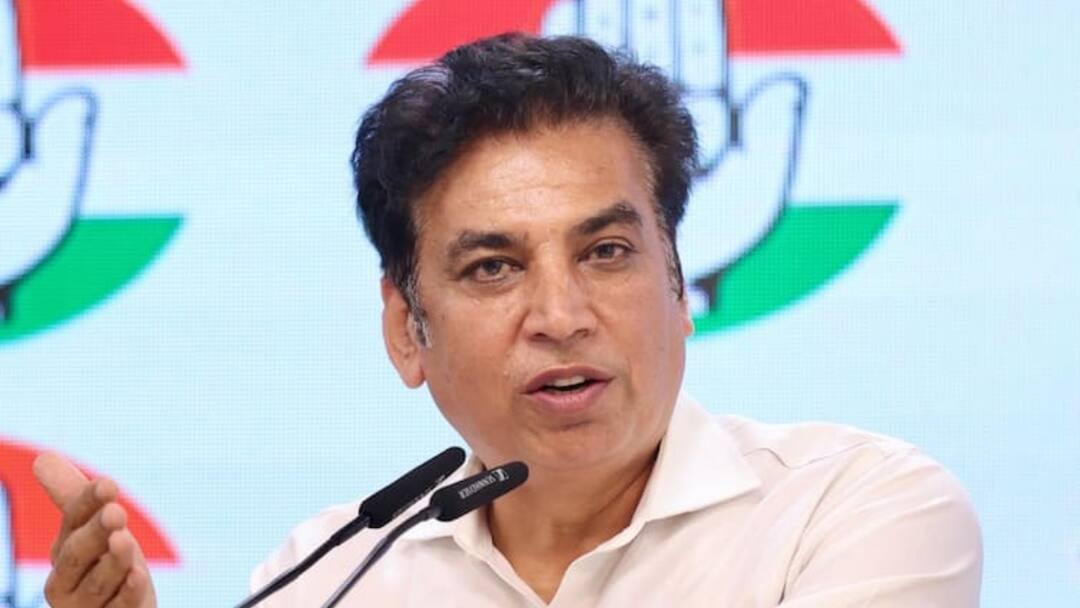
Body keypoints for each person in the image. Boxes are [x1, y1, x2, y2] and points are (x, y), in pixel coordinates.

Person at [32, 34, 982, 607]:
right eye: (493, 267)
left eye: (606, 252)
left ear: (677, 282)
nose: (561, 317)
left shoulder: (854, 511)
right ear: (406, 330)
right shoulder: (331, 578)